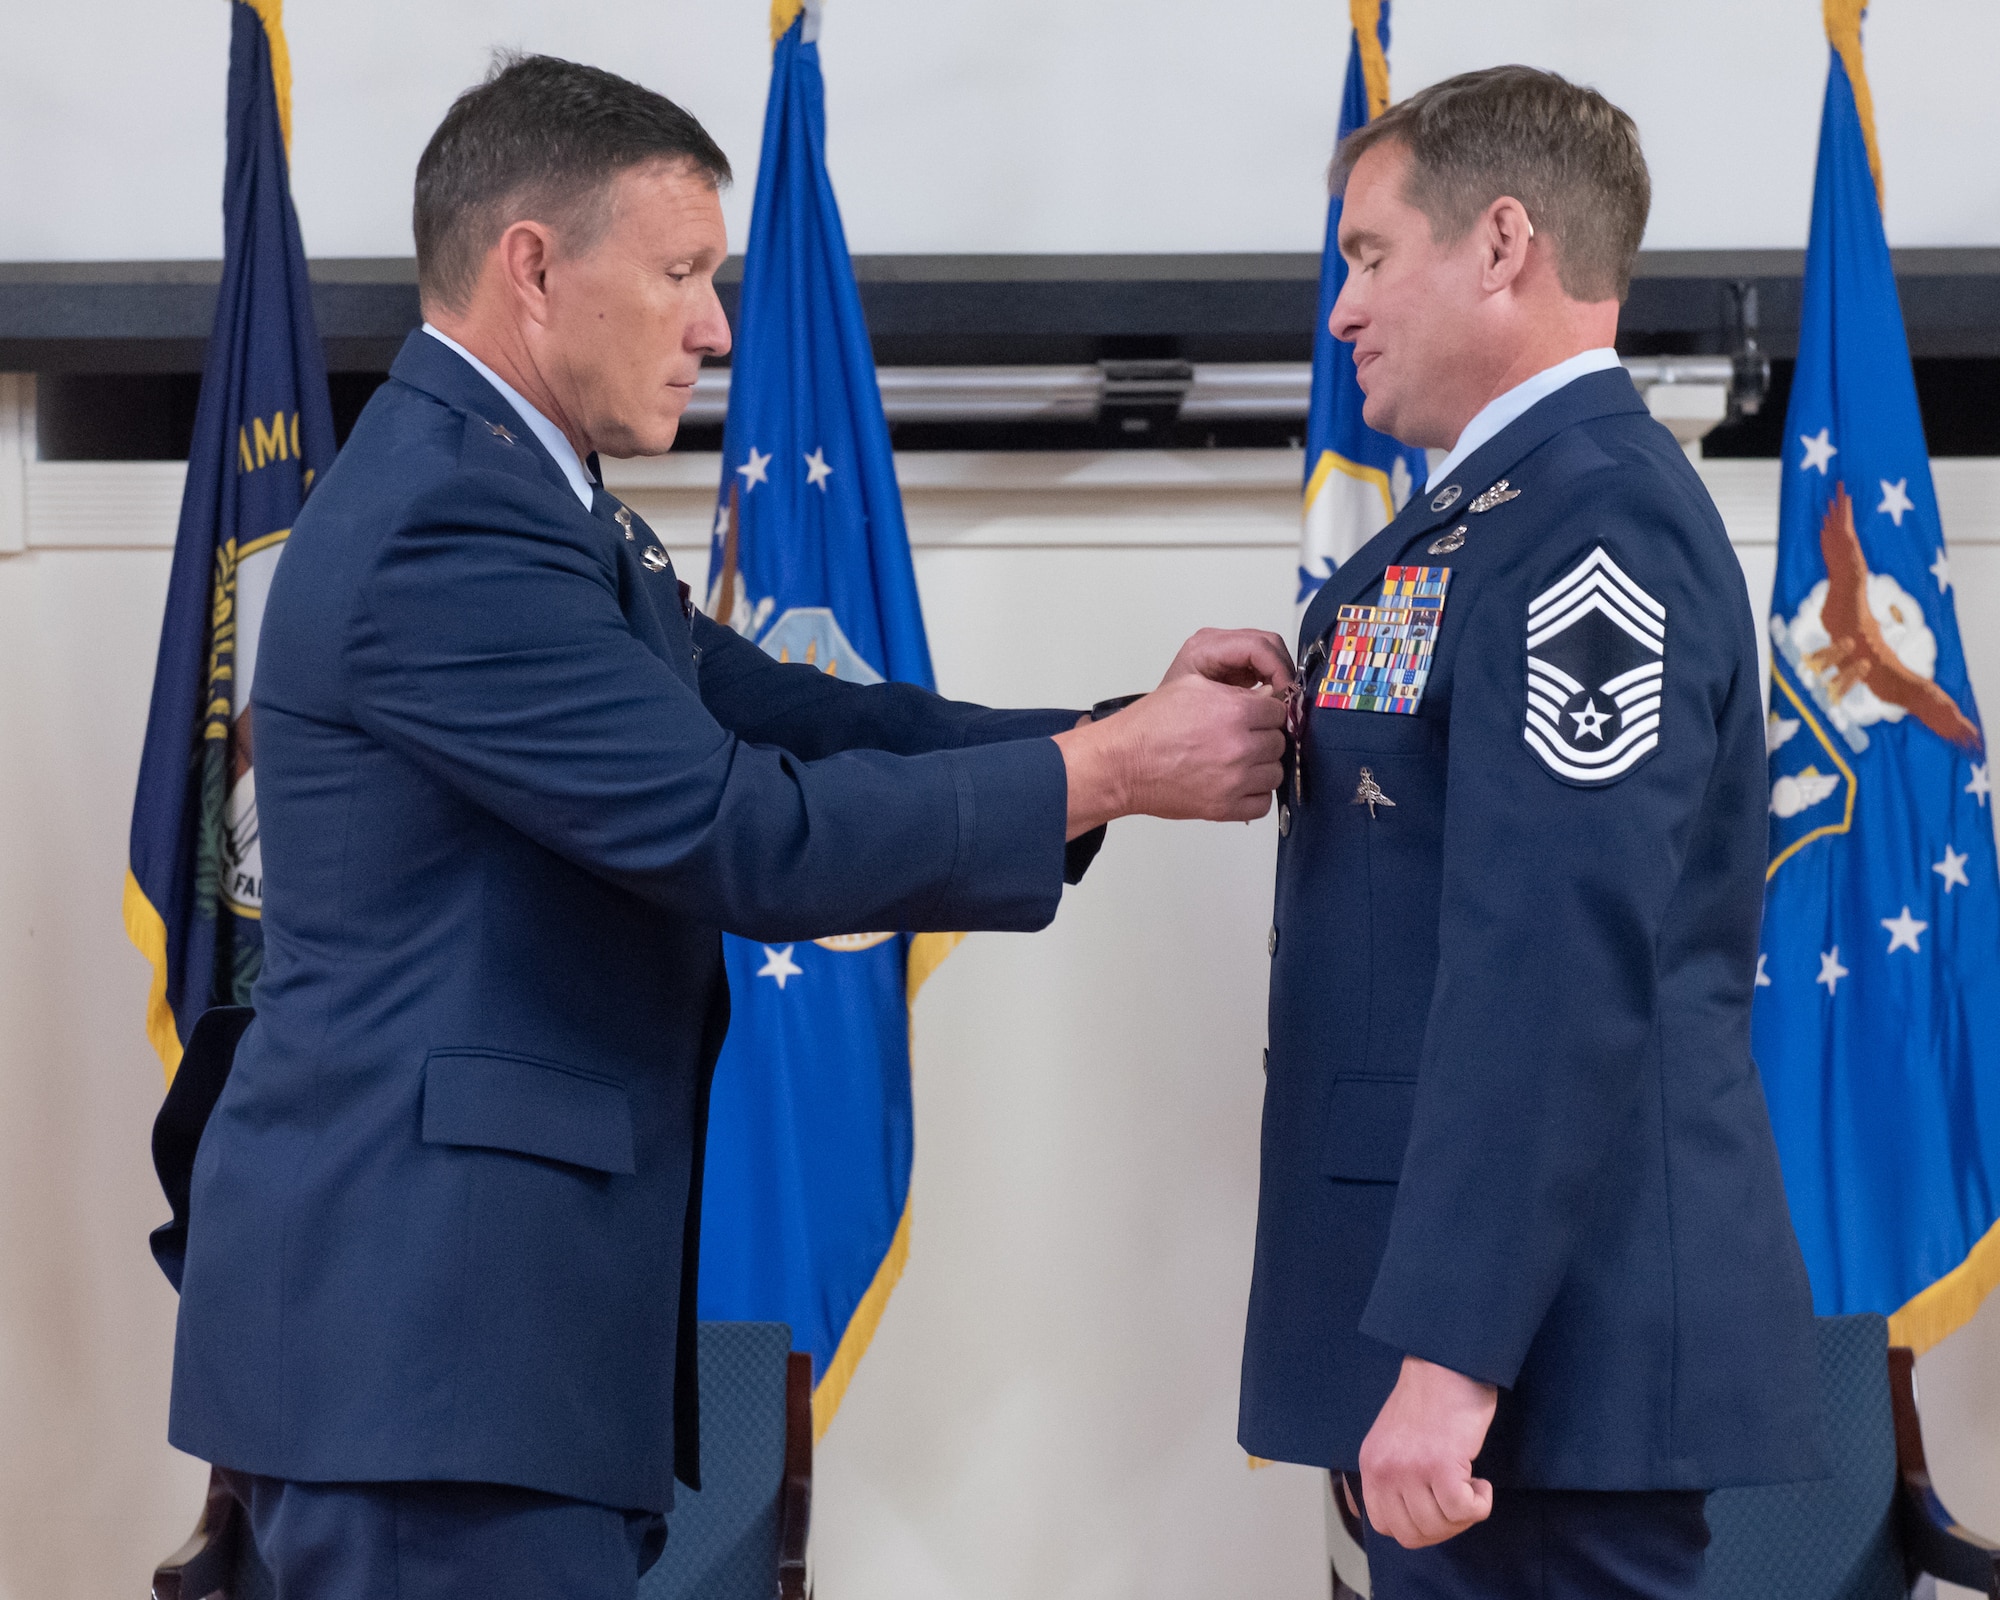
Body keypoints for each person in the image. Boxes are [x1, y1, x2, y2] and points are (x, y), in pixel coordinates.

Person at [161, 55, 1291, 1600]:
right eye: (684, 273)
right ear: (535, 269)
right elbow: (734, 831)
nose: (716, 325)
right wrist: (1109, 775)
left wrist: (1105, 734)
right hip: (425, 1360)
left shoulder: (531, 495)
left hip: (484, 1357)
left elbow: (788, 713)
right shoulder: (445, 523)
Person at [1239, 65, 1820, 1599]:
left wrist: (1453, 1353)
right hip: (1492, 1354)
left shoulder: (1593, 521)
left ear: (1503, 243)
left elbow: (1550, 960)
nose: (1342, 311)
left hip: (1544, 1363)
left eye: (1370, 256)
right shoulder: (1500, 509)